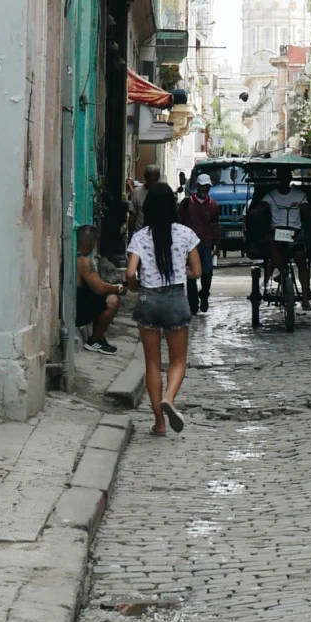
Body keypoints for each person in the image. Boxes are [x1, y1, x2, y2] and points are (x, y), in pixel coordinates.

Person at [125, 180, 201, 436]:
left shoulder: (139, 237)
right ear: (172, 206)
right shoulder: (185, 234)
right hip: (175, 299)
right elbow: (198, 271)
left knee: (152, 364)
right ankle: (169, 397)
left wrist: (135, 287)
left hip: (148, 300)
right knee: (178, 360)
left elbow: (131, 272)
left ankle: (159, 423)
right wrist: (181, 271)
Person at [264, 167, 309, 307]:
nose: (284, 181)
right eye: (281, 178)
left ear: (290, 179)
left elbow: (307, 207)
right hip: (277, 232)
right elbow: (262, 205)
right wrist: (256, 211)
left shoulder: (299, 194)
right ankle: (282, 272)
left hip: (295, 232)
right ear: (278, 180)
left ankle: (306, 298)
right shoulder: (271, 196)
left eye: (286, 178)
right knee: (271, 242)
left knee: (302, 260)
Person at [75, 225, 119, 353]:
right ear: (92, 243)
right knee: (112, 300)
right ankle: (94, 340)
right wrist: (119, 288)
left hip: (79, 303)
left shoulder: (77, 258)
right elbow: (101, 288)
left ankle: (98, 338)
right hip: (79, 311)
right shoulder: (83, 261)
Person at [181, 174, 219, 314]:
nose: (205, 189)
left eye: (207, 186)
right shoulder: (187, 203)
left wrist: (217, 247)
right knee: (191, 275)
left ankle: (204, 295)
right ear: (197, 186)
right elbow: (180, 222)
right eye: (203, 186)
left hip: (206, 244)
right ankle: (193, 304)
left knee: (207, 272)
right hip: (189, 246)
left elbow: (215, 226)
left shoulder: (213, 205)